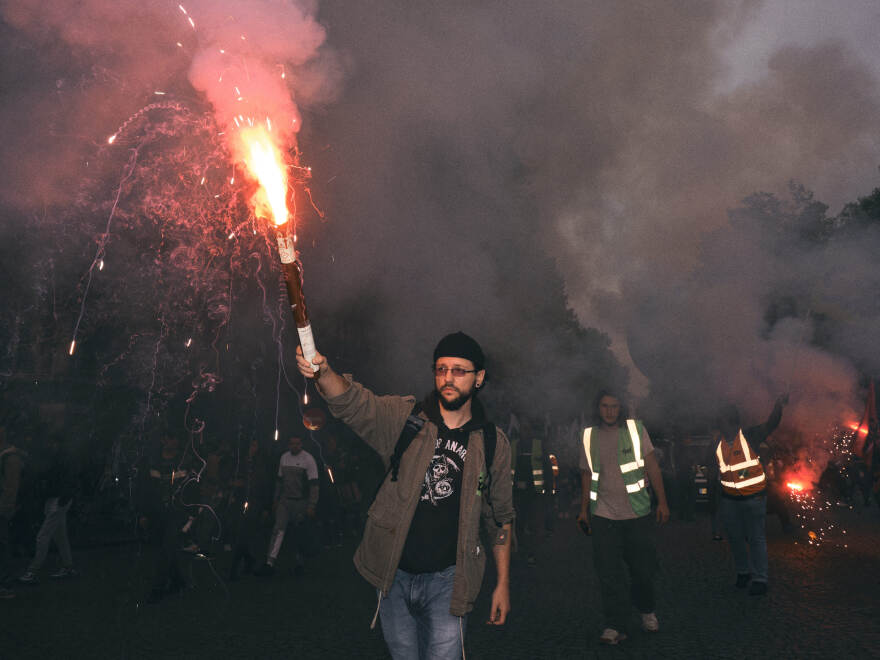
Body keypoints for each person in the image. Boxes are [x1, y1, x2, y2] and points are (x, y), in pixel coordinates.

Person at [295, 331, 514, 660]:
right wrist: (323, 373)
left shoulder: (492, 443)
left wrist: (502, 584)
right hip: (394, 576)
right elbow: (353, 403)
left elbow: (500, 519)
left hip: (449, 581)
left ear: (479, 377)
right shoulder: (406, 419)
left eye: (459, 370)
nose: (448, 378)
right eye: (441, 369)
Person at [577, 390, 670, 645]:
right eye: (605, 406)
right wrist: (584, 510)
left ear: (621, 408)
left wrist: (662, 501)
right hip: (603, 515)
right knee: (608, 573)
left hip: (637, 514)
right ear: (598, 408)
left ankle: (646, 609)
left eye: (614, 406)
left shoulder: (636, 431)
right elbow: (586, 474)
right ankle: (614, 624)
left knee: (642, 570)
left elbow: (652, 466)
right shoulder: (589, 436)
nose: (609, 411)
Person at [714, 394, 786, 596]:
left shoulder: (750, 436)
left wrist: (778, 404)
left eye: (722, 420)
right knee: (736, 538)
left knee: (756, 538)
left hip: (754, 497)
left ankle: (760, 579)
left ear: (731, 421)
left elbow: (772, 424)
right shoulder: (718, 443)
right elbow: (718, 471)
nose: (719, 424)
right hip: (730, 499)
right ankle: (743, 573)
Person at [17, 432, 79, 585]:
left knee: (43, 536)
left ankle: (32, 571)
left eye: (53, 443)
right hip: (57, 500)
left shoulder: (62, 458)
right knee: (60, 536)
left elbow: (67, 478)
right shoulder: (58, 458)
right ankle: (68, 567)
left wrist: (63, 499)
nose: (51, 445)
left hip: (59, 500)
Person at [254, 436, 319, 576]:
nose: (294, 446)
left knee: (299, 532)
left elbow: (314, 485)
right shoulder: (284, 458)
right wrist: (276, 499)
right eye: (292, 443)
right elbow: (279, 480)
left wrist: (311, 505)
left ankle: (299, 563)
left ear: (301, 444)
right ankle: (269, 563)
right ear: (288, 445)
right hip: (285, 501)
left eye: (297, 443)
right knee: (278, 530)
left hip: (301, 502)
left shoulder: (308, 459)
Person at [0, 412, 25, 600]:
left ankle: (5, 585)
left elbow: (11, 488)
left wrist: (6, 510)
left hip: (1, 510)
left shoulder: (10, 457)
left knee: (2, 546)